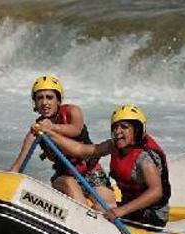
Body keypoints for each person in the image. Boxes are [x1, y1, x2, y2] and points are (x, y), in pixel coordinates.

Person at [38, 104, 171, 226]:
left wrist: (121, 211)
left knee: (101, 215)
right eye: (115, 127)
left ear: (136, 130)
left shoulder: (145, 159)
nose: (118, 131)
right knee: (99, 209)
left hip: (152, 215)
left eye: (124, 127)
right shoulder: (114, 145)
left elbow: (156, 192)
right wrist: (50, 134)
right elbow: (81, 150)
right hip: (131, 208)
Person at [9, 75, 115, 209]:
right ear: (35, 103)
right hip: (64, 176)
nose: (45, 102)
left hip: (90, 170)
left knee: (106, 206)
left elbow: (75, 129)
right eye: (39, 98)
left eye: (49, 97)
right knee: (70, 185)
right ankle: (81, 215)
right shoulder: (35, 130)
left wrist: (52, 127)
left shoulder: (73, 112)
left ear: (58, 101)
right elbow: (17, 166)